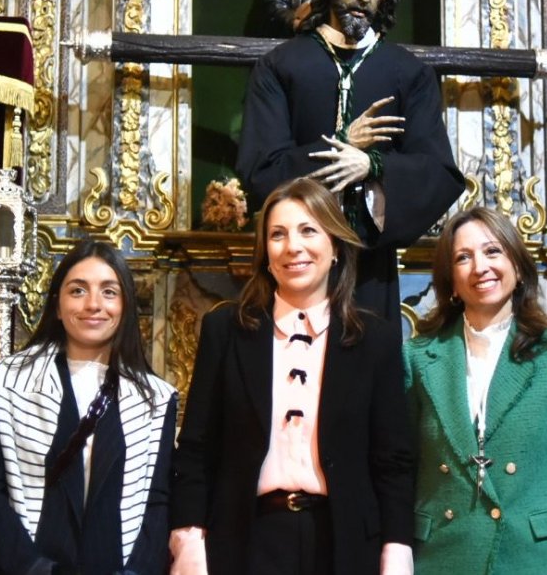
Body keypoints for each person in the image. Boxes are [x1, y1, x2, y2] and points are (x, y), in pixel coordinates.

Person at [237, 0, 465, 323]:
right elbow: (259, 170)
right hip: (295, 262)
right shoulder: (281, 66)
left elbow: (440, 174)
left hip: (370, 270)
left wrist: (373, 166)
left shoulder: (408, 74)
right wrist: (340, 144)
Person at [169, 177, 415, 575]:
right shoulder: (226, 330)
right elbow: (196, 449)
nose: (293, 247)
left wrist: (397, 550)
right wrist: (188, 541)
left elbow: (394, 461)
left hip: (346, 543)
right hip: (246, 539)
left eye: (308, 231)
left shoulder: (377, 340)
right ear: (265, 252)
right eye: (277, 235)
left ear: (334, 246)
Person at [405, 206, 547, 574]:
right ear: (451, 279)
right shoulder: (417, 357)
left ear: (517, 266)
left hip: (534, 559)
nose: (480, 266)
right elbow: (400, 471)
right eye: (463, 257)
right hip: (443, 557)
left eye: (493, 251)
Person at [0, 240, 179, 575]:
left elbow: (156, 501)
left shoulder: (155, 398)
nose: (93, 304)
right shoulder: (4, 383)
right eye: (77, 291)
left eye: (108, 292)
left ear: (126, 306)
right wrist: (32, 568)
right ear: (57, 306)